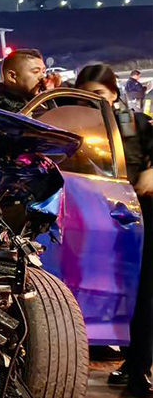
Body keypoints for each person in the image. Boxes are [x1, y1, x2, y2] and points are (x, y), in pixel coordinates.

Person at [77, 65, 153, 397]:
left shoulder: (137, 123)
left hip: (137, 219)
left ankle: (139, 368)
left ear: (115, 94)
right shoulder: (70, 126)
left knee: (142, 295)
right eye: (87, 96)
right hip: (88, 220)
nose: (95, 103)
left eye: (101, 95)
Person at [0, 48, 48, 112]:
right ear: (12, 76)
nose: (43, 77)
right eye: (36, 72)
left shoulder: (37, 103)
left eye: (43, 72)